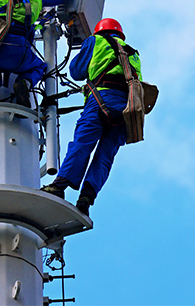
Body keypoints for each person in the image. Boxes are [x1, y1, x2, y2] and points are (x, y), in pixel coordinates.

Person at [41, 18, 142, 216]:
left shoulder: (96, 41)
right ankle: (87, 196)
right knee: (106, 155)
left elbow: (76, 71)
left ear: (99, 31)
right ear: (119, 34)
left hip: (101, 99)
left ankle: (59, 186)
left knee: (82, 143)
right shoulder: (133, 52)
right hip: (128, 108)